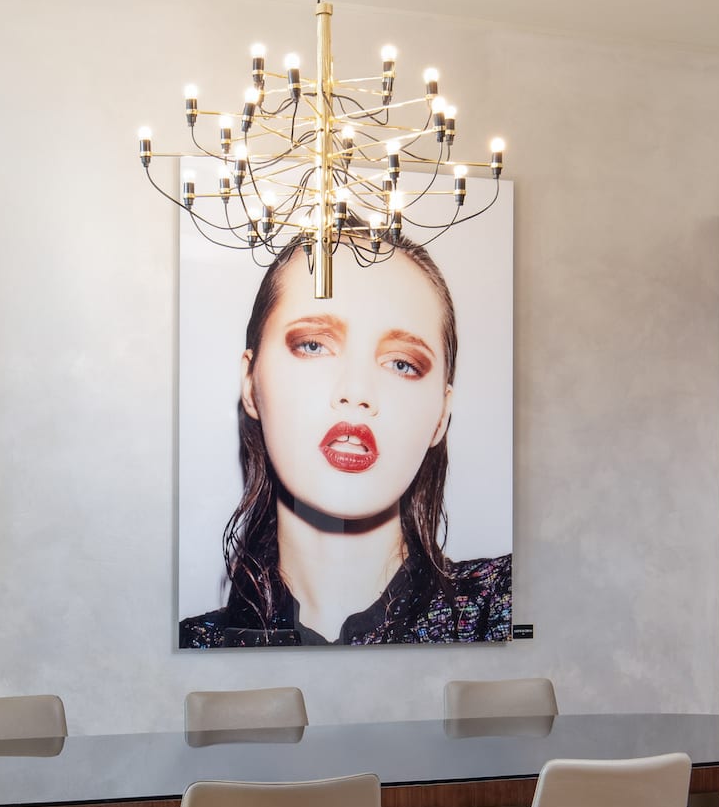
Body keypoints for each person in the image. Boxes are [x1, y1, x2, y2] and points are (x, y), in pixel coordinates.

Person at [179, 235, 511, 648]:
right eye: (313, 345)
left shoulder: (509, 603)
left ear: (441, 416)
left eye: (402, 363)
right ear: (250, 383)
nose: (356, 391)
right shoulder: (195, 646)